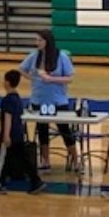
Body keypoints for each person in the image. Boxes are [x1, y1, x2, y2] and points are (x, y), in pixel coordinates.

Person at [18, 29, 78, 171]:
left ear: (47, 41)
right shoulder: (34, 56)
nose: (37, 43)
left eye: (40, 40)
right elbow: (21, 69)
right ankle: (45, 161)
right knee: (42, 130)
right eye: (36, 40)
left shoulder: (61, 56)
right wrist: (33, 78)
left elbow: (69, 78)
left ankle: (76, 160)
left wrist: (51, 79)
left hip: (58, 100)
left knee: (65, 130)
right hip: (38, 99)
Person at [0, 70, 45, 194]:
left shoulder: (7, 100)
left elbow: (8, 118)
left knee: (3, 159)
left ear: (7, 82)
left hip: (10, 134)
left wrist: (6, 135)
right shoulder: (18, 99)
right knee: (22, 159)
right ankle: (36, 181)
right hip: (18, 134)